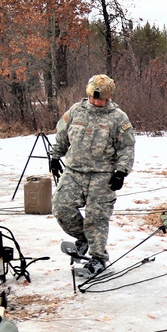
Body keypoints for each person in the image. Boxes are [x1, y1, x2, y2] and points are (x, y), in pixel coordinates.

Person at [50, 75, 135, 274]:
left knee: (96, 218)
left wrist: (121, 172)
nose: (97, 103)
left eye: (101, 100)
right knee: (61, 207)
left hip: (102, 175)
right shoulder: (75, 111)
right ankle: (84, 238)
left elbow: (127, 147)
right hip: (74, 171)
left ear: (108, 98)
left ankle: (98, 257)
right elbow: (62, 136)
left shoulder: (118, 117)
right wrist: (55, 156)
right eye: (94, 98)